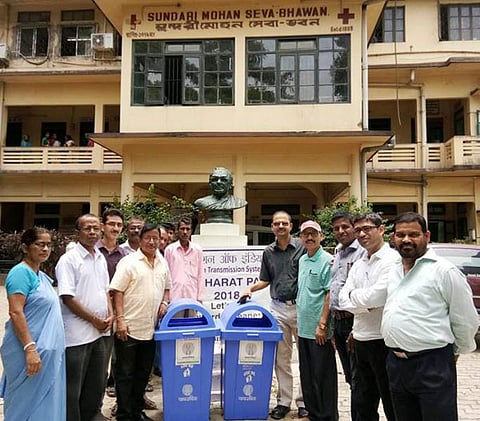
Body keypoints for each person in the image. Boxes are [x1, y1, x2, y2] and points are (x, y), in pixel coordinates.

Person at [382, 211, 479, 421]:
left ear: (427, 236)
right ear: (393, 238)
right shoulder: (394, 270)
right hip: (396, 364)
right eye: (400, 235)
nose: (406, 239)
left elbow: (466, 320)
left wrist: (452, 354)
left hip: (432, 364)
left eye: (413, 234)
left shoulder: (444, 271)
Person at [240, 210, 307, 420]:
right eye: (277, 223)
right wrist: (250, 289)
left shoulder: (303, 247)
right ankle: (284, 402)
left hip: (301, 308)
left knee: (305, 358)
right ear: (272, 227)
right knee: (282, 358)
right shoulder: (268, 252)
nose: (280, 226)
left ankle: (305, 402)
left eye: (284, 223)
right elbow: (265, 280)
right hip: (278, 309)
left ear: (291, 226)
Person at [0, 227, 66, 421]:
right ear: (25, 247)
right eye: (40, 244)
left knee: (46, 405)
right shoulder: (20, 273)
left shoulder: (41, 276)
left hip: (47, 353)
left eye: (48, 245)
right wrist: (30, 349)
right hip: (27, 351)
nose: (46, 249)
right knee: (24, 405)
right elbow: (16, 311)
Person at [338, 212, 399, 421]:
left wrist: (357, 301)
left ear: (381, 230)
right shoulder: (361, 261)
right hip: (360, 340)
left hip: (384, 342)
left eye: (367, 229)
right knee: (362, 402)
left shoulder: (392, 260)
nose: (362, 234)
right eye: (358, 230)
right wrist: (365, 306)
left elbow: (380, 295)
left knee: (391, 402)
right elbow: (342, 298)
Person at [110, 224, 171, 421]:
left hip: (151, 329)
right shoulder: (129, 262)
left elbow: (167, 288)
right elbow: (117, 291)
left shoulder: (162, 261)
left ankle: (137, 412)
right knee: (125, 375)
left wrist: (164, 302)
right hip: (128, 328)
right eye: (148, 238)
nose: (153, 242)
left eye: (156, 238)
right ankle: (124, 415)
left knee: (143, 375)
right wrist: (120, 320)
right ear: (141, 239)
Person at [55, 213, 113, 421]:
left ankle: (91, 416)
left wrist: (111, 314)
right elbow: (67, 297)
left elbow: (106, 290)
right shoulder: (69, 260)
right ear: (77, 232)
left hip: (100, 334)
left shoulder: (99, 257)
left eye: (96, 228)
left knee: (96, 384)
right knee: (73, 388)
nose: (92, 232)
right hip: (77, 336)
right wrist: (94, 320)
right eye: (87, 228)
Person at [297, 220, 337, 421]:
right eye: (306, 234)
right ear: (301, 237)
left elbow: (329, 293)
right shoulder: (303, 260)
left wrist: (322, 325)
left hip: (318, 330)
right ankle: (313, 413)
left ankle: (327, 416)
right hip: (303, 328)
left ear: (321, 236)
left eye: (314, 234)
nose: (310, 237)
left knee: (323, 376)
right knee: (307, 374)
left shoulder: (327, 261)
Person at [329, 211, 365, 421]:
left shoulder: (361, 253)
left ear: (353, 227)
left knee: (360, 380)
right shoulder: (339, 252)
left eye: (345, 226)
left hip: (355, 323)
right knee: (351, 379)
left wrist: (355, 327)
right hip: (340, 322)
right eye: (336, 228)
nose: (341, 231)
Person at [96, 209, 129, 402]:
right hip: (96, 314)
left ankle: (119, 400)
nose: (115, 228)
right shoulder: (94, 252)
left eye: (118, 225)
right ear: (103, 226)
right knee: (98, 362)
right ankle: (95, 405)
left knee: (120, 361)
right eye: (111, 224)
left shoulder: (124, 255)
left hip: (118, 312)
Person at [164, 216, 204, 305]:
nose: (185, 232)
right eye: (182, 229)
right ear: (178, 230)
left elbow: (200, 274)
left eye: (187, 229)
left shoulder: (197, 250)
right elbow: (166, 275)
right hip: (174, 296)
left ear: (191, 231)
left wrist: (200, 297)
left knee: (192, 319)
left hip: (192, 295)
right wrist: (166, 299)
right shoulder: (170, 250)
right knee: (176, 319)